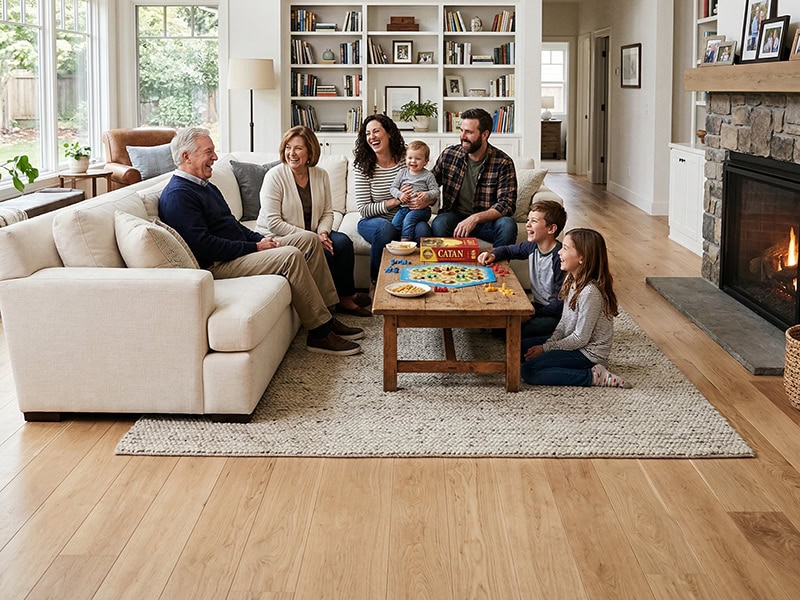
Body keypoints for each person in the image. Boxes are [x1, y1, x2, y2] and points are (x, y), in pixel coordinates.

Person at [158, 127, 364, 356]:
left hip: (237, 253)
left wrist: (262, 240)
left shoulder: (205, 187)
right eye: (209, 152)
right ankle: (319, 333)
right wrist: (255, 247)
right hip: (218, 265)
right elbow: (204, 246)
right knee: (291, 256)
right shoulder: (179, 194)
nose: (215, 157)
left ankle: (326, 315)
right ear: (186, 156)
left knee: (309, 240)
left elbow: (234, 227)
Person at [257, 125, 372, 317]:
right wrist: (312, 238)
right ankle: (328, 306)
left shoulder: (320, 175)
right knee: (323, 254)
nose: (291, 153)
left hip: (312, 233)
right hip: (279, 236)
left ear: (310, 150)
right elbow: (273, 223)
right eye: (288, 147)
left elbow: (328, 212)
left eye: (298, 148)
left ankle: (345, 298)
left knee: (343, 243)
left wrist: (323, 233)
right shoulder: (274, 176)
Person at [519, 228, 632, 388]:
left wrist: (546, 348)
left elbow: (580, 339)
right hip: (571, 342)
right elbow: (564, 322)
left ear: (582, 258)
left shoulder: (590, 292)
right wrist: (550, 344)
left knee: (529, 371)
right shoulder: (570, 279)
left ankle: (594, 376)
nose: (559, 253)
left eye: (565, 248)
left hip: (587, 353)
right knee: (518, 347)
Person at [353, 114, 433, 288]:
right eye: (367, 133)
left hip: (407, 219)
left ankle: (421, 281)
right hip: (374, 222)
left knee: (423, 228)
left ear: (389, 133)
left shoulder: (408, 158)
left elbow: (429, 190)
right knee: (385, 228)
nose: (371, 137)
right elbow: (364, 209)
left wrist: (424, 200)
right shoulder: (363, 166)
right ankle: (376, 283)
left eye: (376, 131)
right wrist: (396, 200)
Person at [477, 200, 567, 338]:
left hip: (556, 315)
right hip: (538, 306)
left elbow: (560, 304)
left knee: (517, 332)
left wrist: (531, 314)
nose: (528, 225)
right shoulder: (532, 247)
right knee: (501, 323)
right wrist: (492, 254)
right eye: (527, 220)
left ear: (551, 229)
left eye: (534, 221)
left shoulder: (559, 257)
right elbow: (507, 250)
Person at [431, 107, 517, 247]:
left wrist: (475, 218)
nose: (463, 136)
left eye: (469, 132)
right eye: (461, 130)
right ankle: (449, 267)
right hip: (455, 218)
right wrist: (420, 195)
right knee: (440, 223)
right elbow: (431, 183)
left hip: (486, 221)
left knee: (508, 225)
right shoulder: (449, 154)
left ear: (484, 135)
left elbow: (506, 204)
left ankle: (496, 266)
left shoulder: (503, 162)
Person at [389, 140, 440, 241]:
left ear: (426, 161)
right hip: (404, 208)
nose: (413, 161)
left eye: (418, 158)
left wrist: (427, 195)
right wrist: (400, 195)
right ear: (405, 158)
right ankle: (396, 243)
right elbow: (393, 188)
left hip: (422, 210)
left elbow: (436, 191)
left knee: (409, 219)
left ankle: (405, 241)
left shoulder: (428, 175)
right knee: (395, 224)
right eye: (410, 158)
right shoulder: (402, 172)